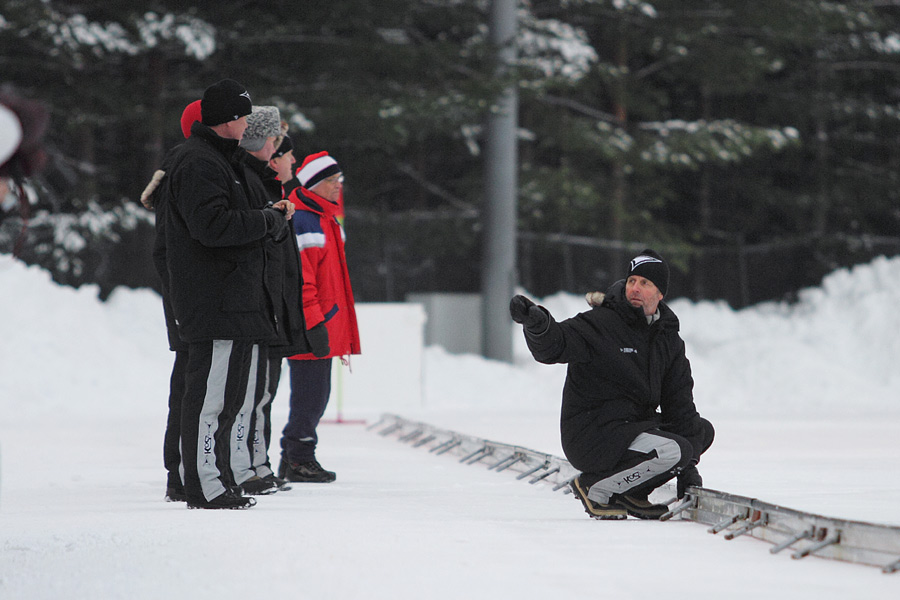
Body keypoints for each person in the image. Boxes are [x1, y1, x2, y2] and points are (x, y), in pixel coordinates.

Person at [160, 79, 293, 509]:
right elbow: (213, 227)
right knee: (210, 400)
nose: (250, 124)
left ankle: (215, 478)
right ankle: (204, 484)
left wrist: (262, 218)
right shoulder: (198, 162)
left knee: (226, 399)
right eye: (244, 116)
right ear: (229, 120)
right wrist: (267, 221)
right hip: (214, 300)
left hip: (231, 299)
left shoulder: (218, 160)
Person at [510, 249, 714, 520]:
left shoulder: (668, 339)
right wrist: (537, 325)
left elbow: (680, 405)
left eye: (645, 283)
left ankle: (632, 492)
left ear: (660, 294)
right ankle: (594, 488)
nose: (635, 288)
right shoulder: (601, 323)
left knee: (700, 431)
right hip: (593, 435)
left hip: (632, 429)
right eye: (632, 281)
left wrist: (687, 470)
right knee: (674, 449)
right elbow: (556, 344)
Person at [235, 107, 308, 494]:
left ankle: (255, 462)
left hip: (272, 309)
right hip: (257, 309)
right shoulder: (253, 186)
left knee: (262, 392)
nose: (291, 159)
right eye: (283, 149)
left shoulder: (272, 190)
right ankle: (248, 464)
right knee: (249, 393)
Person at [280, 151, 360, 483]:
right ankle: (297, 457)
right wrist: (314, 322)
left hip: (321, 323)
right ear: (313, 184)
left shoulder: (325, 219)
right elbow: (303, 281)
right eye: (331, 181)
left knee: (317, 395)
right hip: (311, 326)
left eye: (339, 181)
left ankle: (298, 455)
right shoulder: (305, 221)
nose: (337, 187)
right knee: (310, 397)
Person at [140, 98, 201, 503]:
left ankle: (178, 469)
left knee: (188, 382)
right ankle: (177, 470)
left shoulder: (178, 168)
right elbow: (168, 251)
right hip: (189, 297)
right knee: (189, 384)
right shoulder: (187, 169)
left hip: (188, 295)